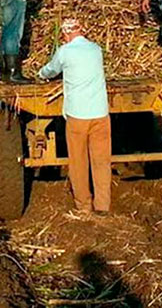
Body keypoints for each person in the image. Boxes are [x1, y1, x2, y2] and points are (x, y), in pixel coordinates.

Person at [38, 18, 111, 215]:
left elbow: (51, 70)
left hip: (78, 115)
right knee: (101, 161)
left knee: (78, 161)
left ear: (66, 34)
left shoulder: (65, 52)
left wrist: (41, 73)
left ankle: (83, 205)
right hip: (101, 114)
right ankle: (103, 205)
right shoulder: (96, 50)